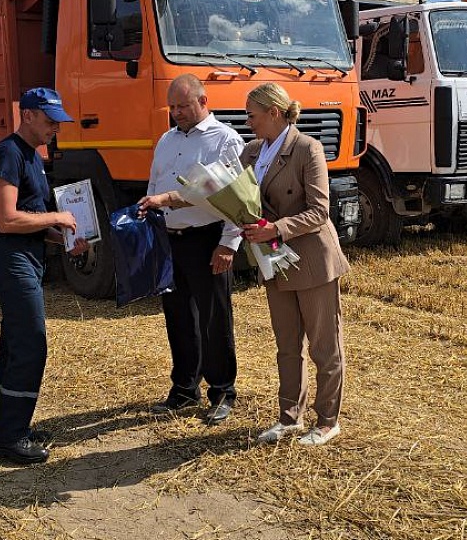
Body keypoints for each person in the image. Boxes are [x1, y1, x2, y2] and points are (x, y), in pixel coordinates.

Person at [240, 82, 350, 446]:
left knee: (323, 346)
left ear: (273, 112)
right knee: (286, 344)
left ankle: (327, 421)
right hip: (274, 260)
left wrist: (276, 228)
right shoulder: (253, 150)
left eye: (252, 115)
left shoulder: (307, 148)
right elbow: (229, 188)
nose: (247, 121)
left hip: (311, 259)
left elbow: (320, 211)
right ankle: (289, 418)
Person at [0, 87, 88, 464]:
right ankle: (8, 439)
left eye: (58, 122)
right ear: (27, 115)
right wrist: (57, 217)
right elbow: (6, 219)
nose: (55, 128)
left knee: (17, 341)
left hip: (28, 255)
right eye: (49, 120)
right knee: (30, 341)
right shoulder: (8, 153)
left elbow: (29, 218)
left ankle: (14, 428)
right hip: (11, 259)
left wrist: (63, 239)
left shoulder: (32, 155)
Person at [138, 73, 244, 425]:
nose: (177, 112)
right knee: (178, 317)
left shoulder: (225, 140)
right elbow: (155, 183)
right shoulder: (166, 140)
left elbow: (239, 196)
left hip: (207, 238)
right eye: (173, 106)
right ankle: (184, 389)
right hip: (171, 239)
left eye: (183, 105)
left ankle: (222, 391)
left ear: (203, 101)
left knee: (215, 317)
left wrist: (229, 243)